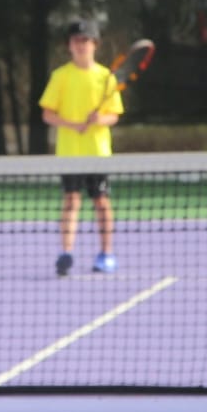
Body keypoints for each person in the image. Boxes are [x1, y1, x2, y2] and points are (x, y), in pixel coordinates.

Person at [38, 17, 123, 276]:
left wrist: (100, 119)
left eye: (86, 40)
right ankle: (66, 254)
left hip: (98, 153)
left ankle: (106, 254)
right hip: (69, 153)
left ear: (94, 44)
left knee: (101, 202)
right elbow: (47, 114)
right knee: (71, 201)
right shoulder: (60, 76)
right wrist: (72, 124)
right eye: (76, 40)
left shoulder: (106, 78)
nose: (81, 45)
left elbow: (115, 115)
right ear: (69, 46)